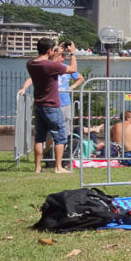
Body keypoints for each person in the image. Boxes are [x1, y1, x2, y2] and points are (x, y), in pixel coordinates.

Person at [23, 38, 77, 174]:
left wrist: (56, 51)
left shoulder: (30, 64)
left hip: (39, 105)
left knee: (39, 138)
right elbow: (73, 69)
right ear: (49, 51)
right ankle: (58, 167)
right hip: (52, 105)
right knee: (60, 137)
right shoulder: (51, 67)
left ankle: (37, 167)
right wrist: (73, 54)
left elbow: (46, 63)